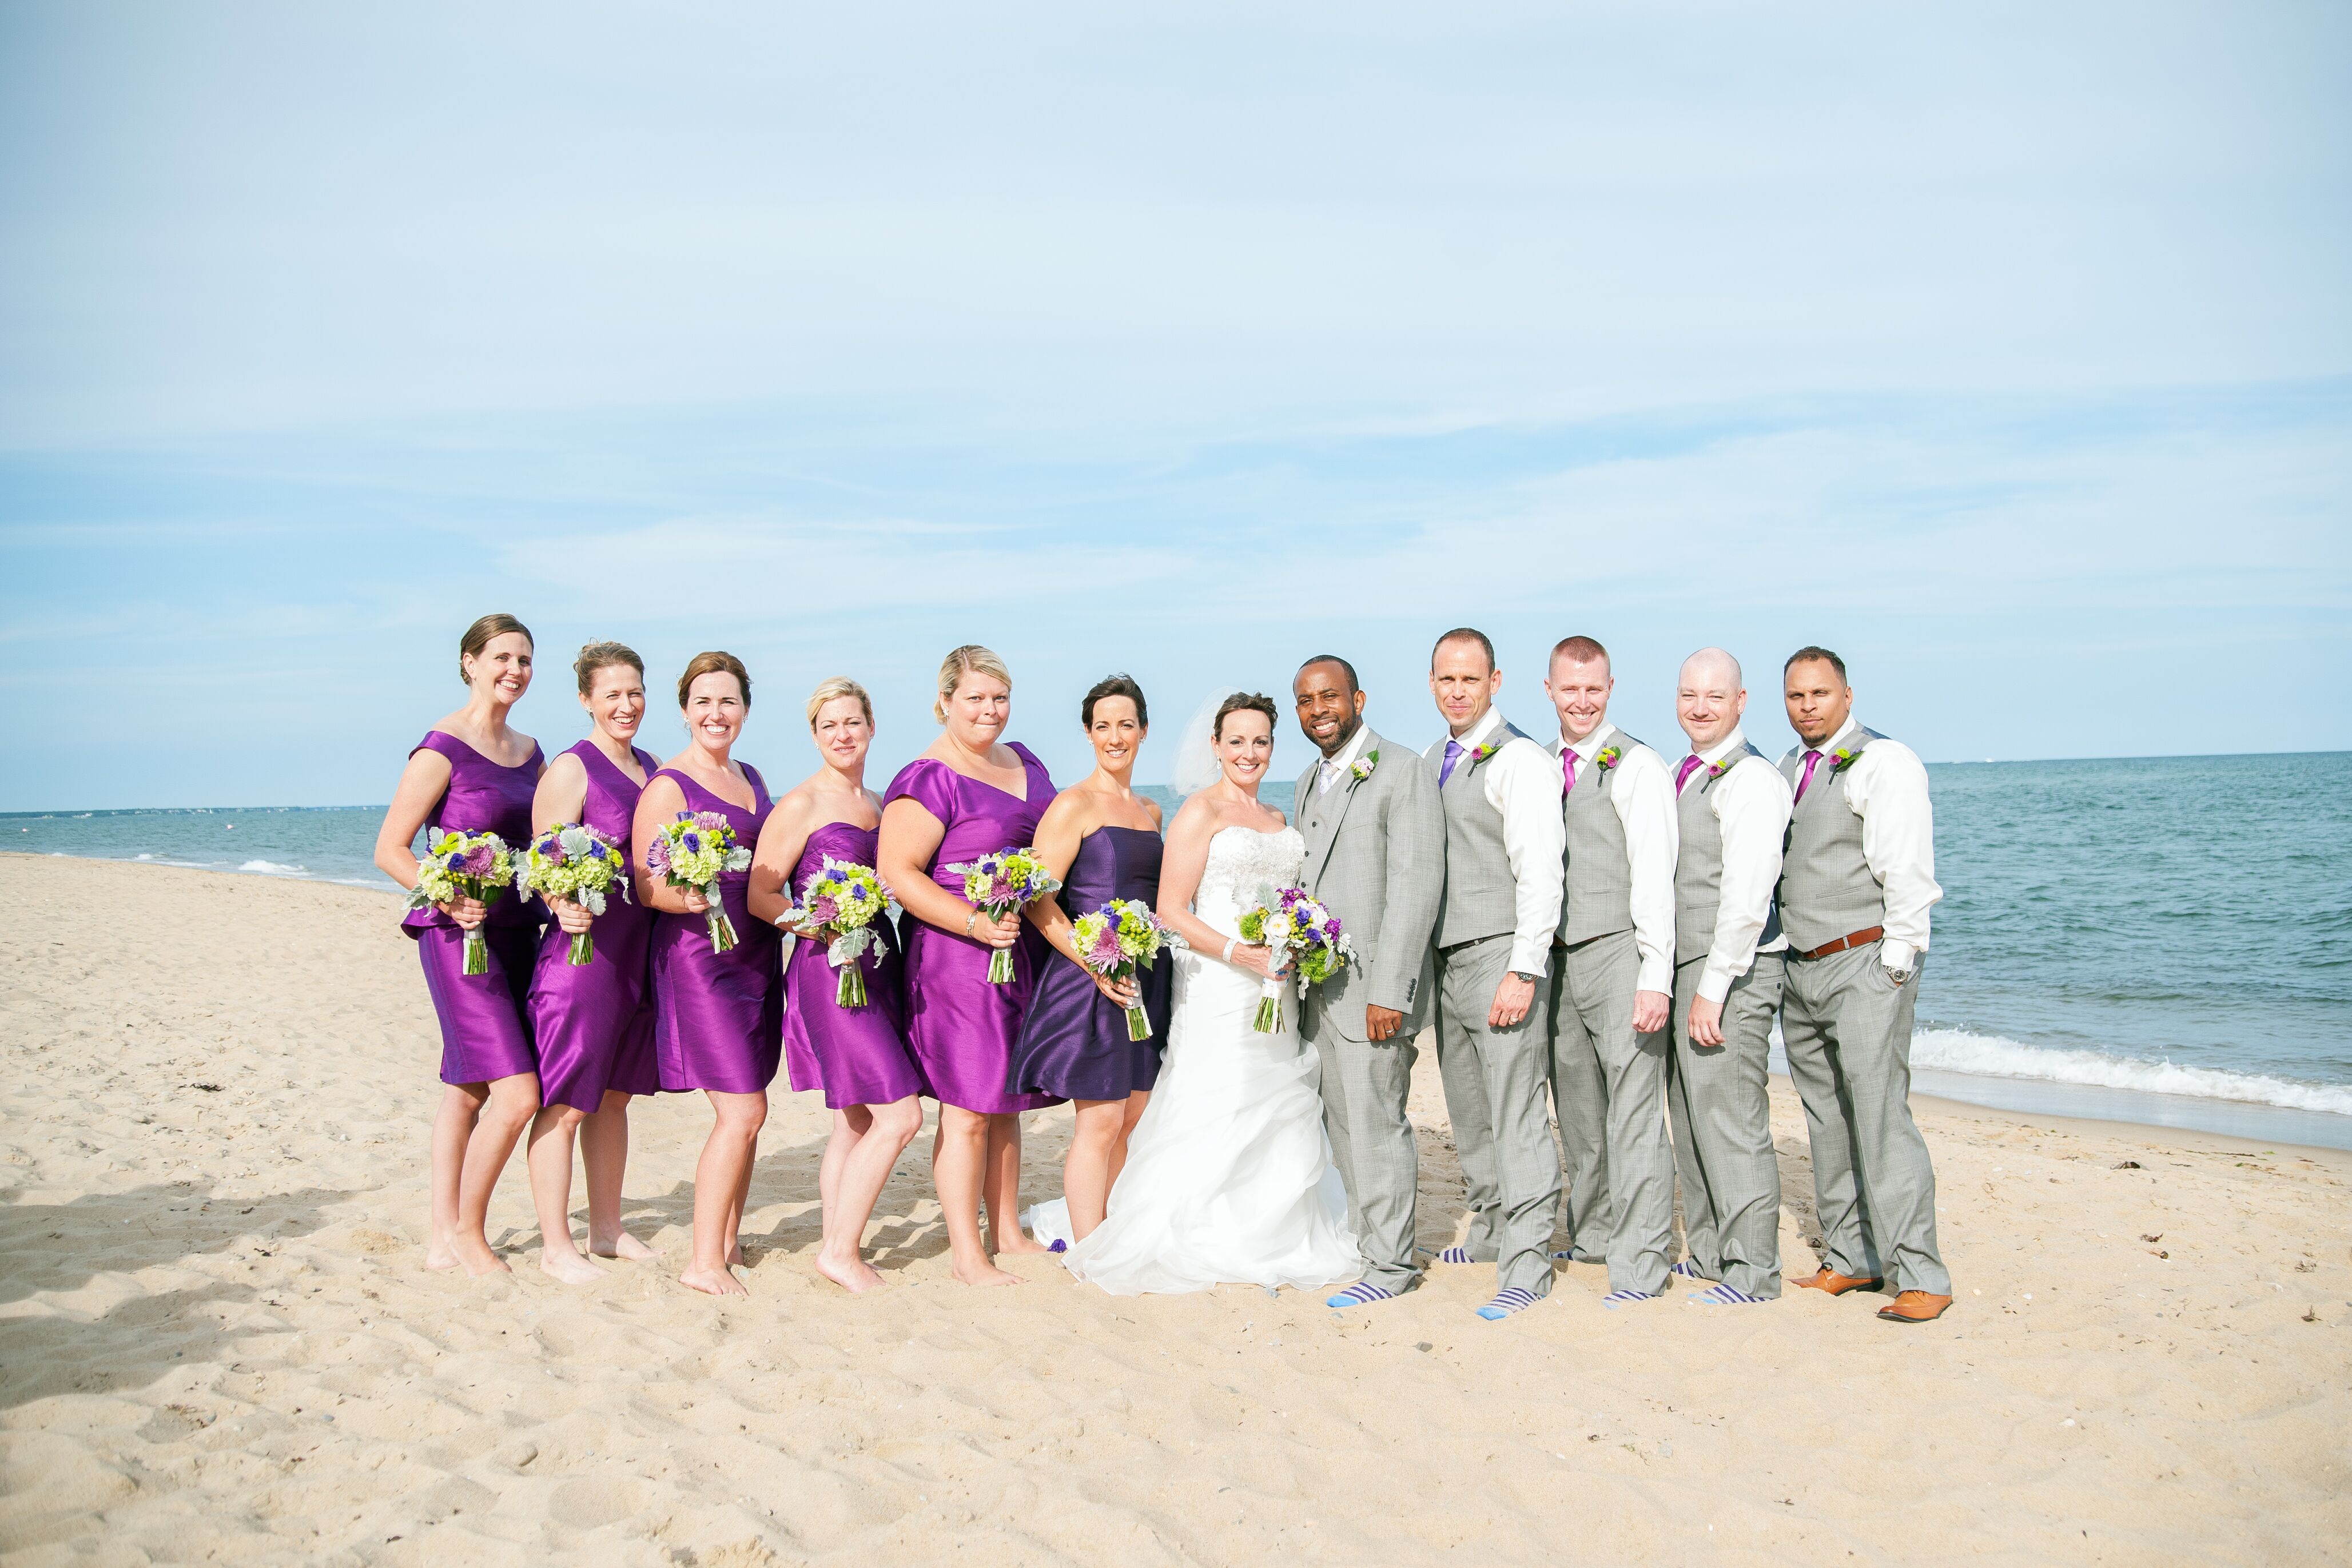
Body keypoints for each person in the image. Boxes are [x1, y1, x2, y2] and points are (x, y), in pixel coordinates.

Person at [1057, 691, 1359, 1295]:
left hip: (1277, 986)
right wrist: (1236, 952)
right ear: (1216, 747)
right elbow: (1170, 910)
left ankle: (1270, 1228)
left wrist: (1296, 945)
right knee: (1219, 1097)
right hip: (1220, 983)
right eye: (1238, 741)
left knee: (1276, 1099)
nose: (1250, 752)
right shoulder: (1199, 812)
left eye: (1261, 741)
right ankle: (1192, 1228)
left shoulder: (1280, 820)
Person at [1776, 646, 1953, 1324]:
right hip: (1802, 964)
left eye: (1820, 694)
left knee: (1880, 1119)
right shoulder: (1791, 768)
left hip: (1864, 960)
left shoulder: (1885, 762)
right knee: (1827, 1119)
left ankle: (1922, 1273)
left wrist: (1898, 963)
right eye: (1796, 696)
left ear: (1847, 696)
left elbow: (1907, 869)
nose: (1808, 706)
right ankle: (1852, 1258)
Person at [877, 646, 1060, 1287]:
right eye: (976, 698)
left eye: (999, 698)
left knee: (1007, 1101)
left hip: (1021, 951)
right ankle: (966, 1254)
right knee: (969, 1108)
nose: (990, 710)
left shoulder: (1027, 761)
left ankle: (1007, 1231)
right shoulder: (928, 776)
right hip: (956, 958)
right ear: (946, 701)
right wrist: (975, 923)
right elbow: (896, 873)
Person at [371, 612, 544, 1276]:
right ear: (470, 662)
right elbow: (390, 850)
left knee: (467, 1088)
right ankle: (468, 1232)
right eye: (502, 657)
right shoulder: (440, 746)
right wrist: (446, 896)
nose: (514, 671)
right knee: (517, 1094)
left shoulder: (533, 753)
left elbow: (547, 839)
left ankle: (443, 1231)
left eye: (525, 660)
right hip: (459, 936)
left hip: (519, 935)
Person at [749, 677, 926, 1294]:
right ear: (815, 735)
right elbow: (760, 895)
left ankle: (834, 1240)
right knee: (900, 1116)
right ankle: (841, 1253)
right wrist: (819, 928)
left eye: (852, 722)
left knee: (854, 1120)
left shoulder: (879, 804)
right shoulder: (799, 805)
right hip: (830, 969)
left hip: (881, 961)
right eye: (829, 726)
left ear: (871, 727)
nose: (842, 735)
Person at [1288, 655, 1443, 1310]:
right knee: (1341, 1126)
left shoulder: (1402, 769)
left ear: (1358, 698)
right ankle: (1366, 1243)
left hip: (1373, 992)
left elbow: (1416, 884)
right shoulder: (1303, 780)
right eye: (1305, 701)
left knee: (1377, 1124)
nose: (1319, 708)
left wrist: (1392, 990)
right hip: (1318, 994)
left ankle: (1392, 1264)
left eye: (1330, 696)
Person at [1422, 628, 1567, 1320]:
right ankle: (1492, 1227)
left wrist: (1524, 968)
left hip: (1500, 953)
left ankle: (1530, 1258)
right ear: (1432, 684)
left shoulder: (1522, 761)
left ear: (1495, 682)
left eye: (1470, 680)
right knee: (1471, 1112)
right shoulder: (1433, 759)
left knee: (1516, 1113)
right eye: (1447, 680)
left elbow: (1542, 873)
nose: (1458, 691)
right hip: (1448, 961)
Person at [632, 651, 781, 1298]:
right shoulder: (669, 784)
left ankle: (727, 1241)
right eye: (703, 702)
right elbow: (645, 884)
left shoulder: (752, 778)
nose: (715, 714)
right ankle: (702, 1262)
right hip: (698, 960)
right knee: (741, 1110)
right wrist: (684, 897)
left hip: (755, 955)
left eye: (727, 702)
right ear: (686, 711)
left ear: (744, 709)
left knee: (756, 1106)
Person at [1538, 635, 1680, 1307]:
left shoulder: (1638, 765)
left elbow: (1657, 876)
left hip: (1620, 950)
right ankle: (1593, 1234)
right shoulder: (1540, 765)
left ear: (1611, 689)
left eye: (1594, 689)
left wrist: (1656, 974)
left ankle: (1644, 1261)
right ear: (1549, 691)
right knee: (1581, 1113)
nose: (1582, 701)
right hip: (1559, 962)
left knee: (1634, 1113)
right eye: (1571, 689)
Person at [1008, 675, 1171, 1245]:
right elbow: (1036, 901)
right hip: (1092, 980)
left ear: (1144, 731)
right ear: (1088, 733)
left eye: (1126, 724)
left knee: (1133, 1117)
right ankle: (1090, 1247)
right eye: (1103, 725)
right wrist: (1095, 965)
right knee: (1099, 1120)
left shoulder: (1149, 809)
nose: (1115, 736)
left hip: (1147, 980)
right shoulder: (1073, 804)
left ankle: (1114, 1231)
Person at [522, 642, 664, 1283]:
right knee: (569, 1101)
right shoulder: (571, 770)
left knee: (614, 1099)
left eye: (634, 692)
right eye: (611, 694)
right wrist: (559, 903)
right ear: (585, 699)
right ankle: (558, 1245)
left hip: (640, 953)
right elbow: (541, 858)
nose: (626, 705)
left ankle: (606, 1229)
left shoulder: (654, 767)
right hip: (584, 957)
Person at [1663, 648, 1792, 1306]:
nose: (1700, 706)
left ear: (1741, 702)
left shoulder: (1751, 780)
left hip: (1733, 973)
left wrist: (1712, 988)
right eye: (1689, 694)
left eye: (1715, 695)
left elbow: (1747, 899)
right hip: (1689, 965)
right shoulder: (1690, 772)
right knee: (1691, 1116)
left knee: (1732, 1117)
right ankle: (1713, 1251)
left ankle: (1754, 1271)